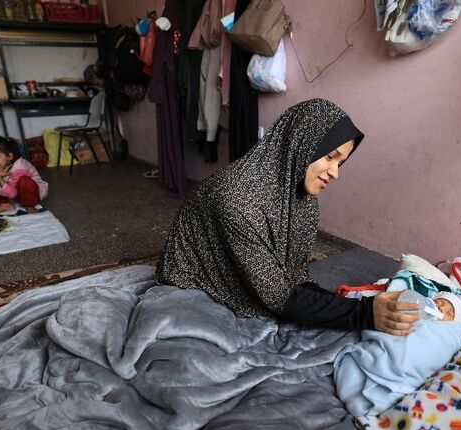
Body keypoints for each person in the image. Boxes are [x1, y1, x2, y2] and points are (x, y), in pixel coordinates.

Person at [155, 98, 419, 335]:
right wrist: (363, 313)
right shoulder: (235, 199)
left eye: (340, 163)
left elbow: (295, 276)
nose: (334, 173)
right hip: (195, 278)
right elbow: (279, 297)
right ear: (301, 145)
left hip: (259, 276)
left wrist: (349, 306)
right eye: (330, 157)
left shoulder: (301, 198)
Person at [334, 291, 461, 416]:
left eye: (449, 313)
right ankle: (356, 391)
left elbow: (440, 353)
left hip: (410, 371)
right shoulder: (420, 314)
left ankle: (371, 401)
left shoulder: (449, 335)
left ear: (454, 324)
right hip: (384, 352)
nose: (441, 309)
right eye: (439, 303)